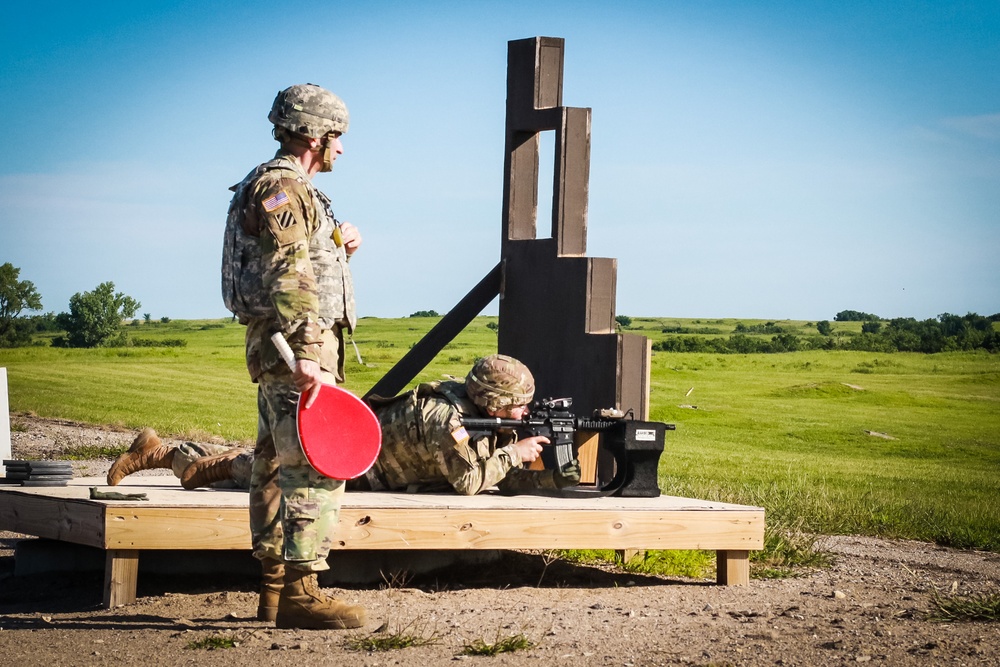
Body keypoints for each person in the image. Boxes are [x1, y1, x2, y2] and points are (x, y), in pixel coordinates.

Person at [223, 82, 363, 630]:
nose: (341, 149)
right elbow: (287, 270)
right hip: (294, 346)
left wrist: (340, 241)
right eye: (336, 137)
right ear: (314, 135)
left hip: (280, 343)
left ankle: (276, 592)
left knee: (274, 463)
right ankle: (302, 593)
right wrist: (308, 349)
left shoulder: (290, 188)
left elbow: (301, 255)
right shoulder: (283, 187)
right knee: (313, 464)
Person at [108, 355, 581, 496]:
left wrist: (542, 469)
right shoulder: (446, 418)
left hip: (374, 472)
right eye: (519, 406)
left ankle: (171, 455)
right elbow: (469, 480)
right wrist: (514, 455)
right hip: (349, 469)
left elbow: (495, 470)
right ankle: (161, 454)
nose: (524, 413)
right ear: (493, 403)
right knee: (253, 470)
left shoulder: (477, 413)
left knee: (255, 465)